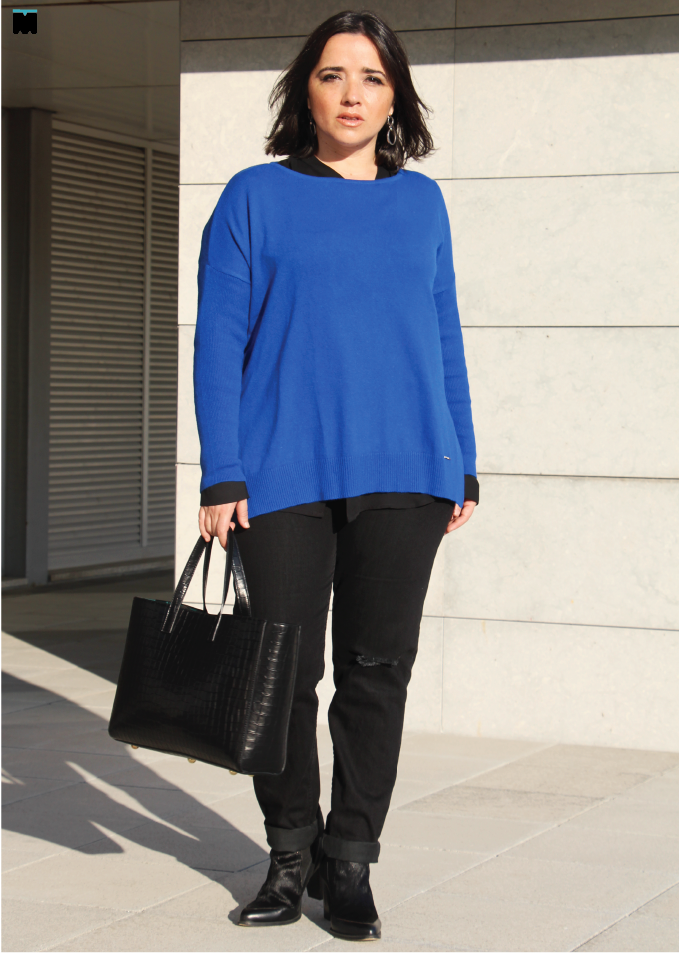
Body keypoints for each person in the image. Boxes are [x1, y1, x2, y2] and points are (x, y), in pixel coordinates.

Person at [193, 9, 478, 943]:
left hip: (407, 467)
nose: (352, 94)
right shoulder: (254, 195)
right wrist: (222, 472)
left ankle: (348, 859)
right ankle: (289, 853)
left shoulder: (421, 203)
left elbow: (441, 333)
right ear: (304, 91)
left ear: (395, 98)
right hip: (279, 471)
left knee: (376, 670)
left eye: (372, 78)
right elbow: (217, 339)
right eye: (332, 75)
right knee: (279, 673)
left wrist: (463, 459)